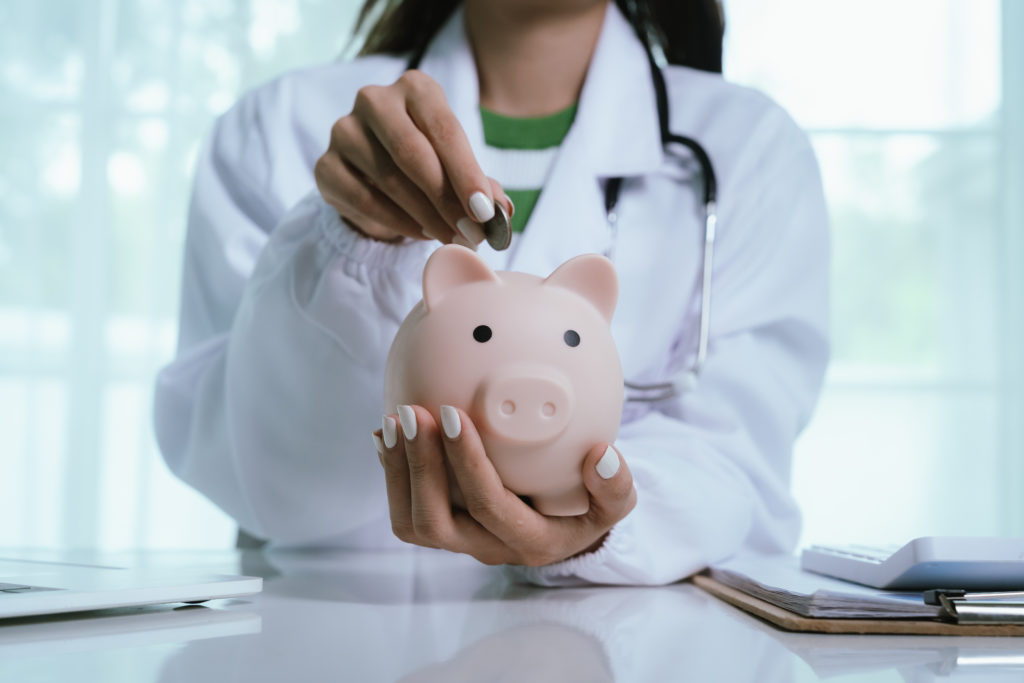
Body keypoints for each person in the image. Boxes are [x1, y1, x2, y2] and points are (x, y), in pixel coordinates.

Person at [154, 0, 829, 586]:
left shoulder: (750, 147)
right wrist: (349, 245)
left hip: (617, 646)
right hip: (327, 640)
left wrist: (603, 524)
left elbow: (737, 466)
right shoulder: (277, 125)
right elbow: (240, 462)